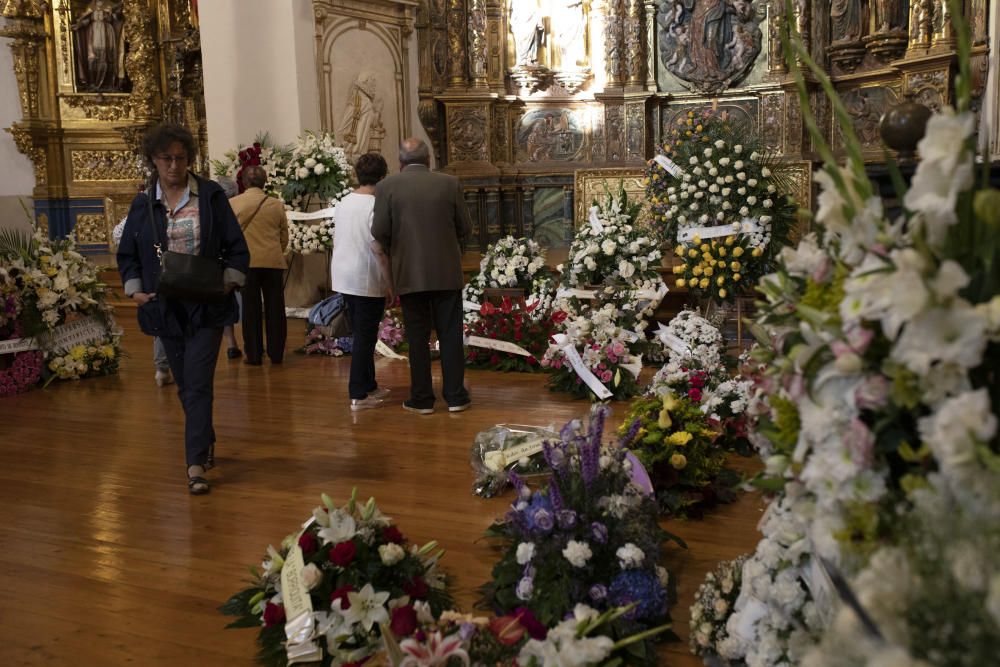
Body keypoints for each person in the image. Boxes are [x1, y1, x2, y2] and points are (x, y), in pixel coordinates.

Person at [117, 123, 249, 495]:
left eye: (181, 158)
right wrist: (134, 291)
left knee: (197, 381)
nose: (174, 165)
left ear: (190, 159)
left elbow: (237, 247)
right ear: (153, 161)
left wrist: (229, 281)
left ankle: (194, 464)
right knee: (187, 386)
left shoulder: (209, 196)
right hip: (163, 307)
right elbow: (127, 252)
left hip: (206, 304)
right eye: (166, 159)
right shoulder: (143, 203)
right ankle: (204, 440)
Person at [371, 138, 472, 415]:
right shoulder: (449, 184)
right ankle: (455, 397)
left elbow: (379, 231)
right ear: (429, 160)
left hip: (409, 274)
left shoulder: (386, 187)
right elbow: (466, 227)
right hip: (446, 272)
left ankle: (422, 399)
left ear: (400, 162)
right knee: (450, 335)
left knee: (417, 338)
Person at [331, 153, 393, 411]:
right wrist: (390, 283)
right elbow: (378, 248)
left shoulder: (344, 201)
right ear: (382, 177)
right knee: (365, 338)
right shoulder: (374, 206)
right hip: (365, 278)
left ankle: (369, 385)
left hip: (345, 277)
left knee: (362, 334)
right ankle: (357, 393)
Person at [229, 165, 288, 365]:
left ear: (243, 182)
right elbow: (284, 236)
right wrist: (274, 251)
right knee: (275, 309)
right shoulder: (276, 204)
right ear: (265, 182)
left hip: (247, 263)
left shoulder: (233, 203)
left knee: (250, 310)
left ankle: (253, 355)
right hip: (273, 262)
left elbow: (230, 237)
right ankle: (276, 353)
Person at [217, 176, 243, 360]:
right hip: (228, 265)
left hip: (213, 264)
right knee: (226, 303)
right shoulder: (232, 210)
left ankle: (230, 343)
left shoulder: (210, 210)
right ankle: (232, 343)